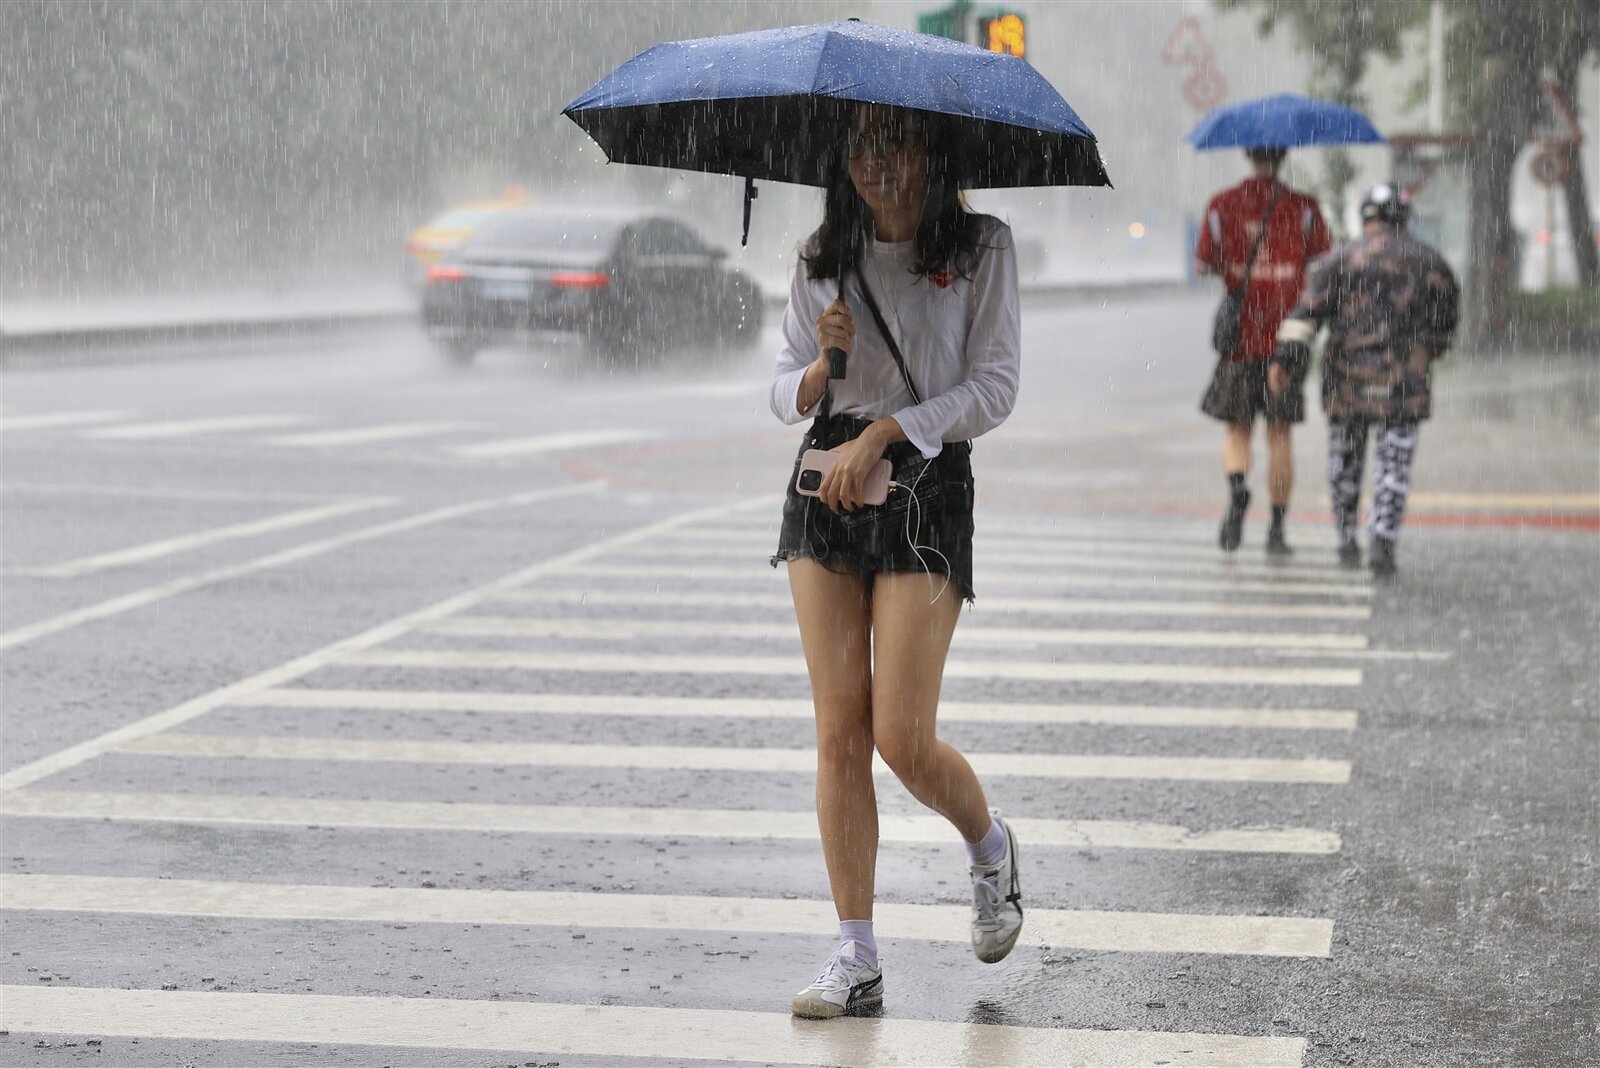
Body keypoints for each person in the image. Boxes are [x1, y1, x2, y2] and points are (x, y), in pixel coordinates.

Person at [767, 102, 1023, 1019]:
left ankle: (988, 845)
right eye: (861, 146)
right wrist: (818, 371)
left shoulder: (983, 246)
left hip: (923, 487)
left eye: (895, 143)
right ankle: (856, 953)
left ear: (929, 152)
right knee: (838, 728)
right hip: (826, 488)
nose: (876, 162)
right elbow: (779, 388)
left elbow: (994, 387)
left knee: (900, 738)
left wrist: (887, 430)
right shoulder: (819, 256)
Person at [1272, 182, 1459, 580]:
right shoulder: (1431, 262)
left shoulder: (1337, 261)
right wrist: (1430, 348)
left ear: (1367, 218)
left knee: (1344, 462)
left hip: (1346, 382)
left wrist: (1286, 362)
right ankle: (1383, 544)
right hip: (1404, 384)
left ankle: (1346, 539)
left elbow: (1305, 316)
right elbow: (1445, 325)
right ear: (1402, 218)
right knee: (1393, 468)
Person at [1195, 146, 1332, 555]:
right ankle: (1275, 531)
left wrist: (1235, 267)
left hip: (1239, 340)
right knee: (1280, 435)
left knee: (1237, 430)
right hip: (1286, 339)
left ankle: (1238, 489)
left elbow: (1202, 265)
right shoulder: (1304, 208)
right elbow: (1323, 265)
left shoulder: (1222, 205)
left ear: (1246, 155)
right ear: (1284, 156)